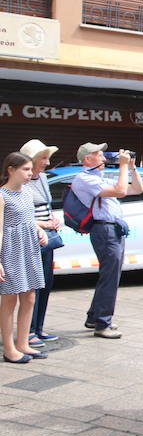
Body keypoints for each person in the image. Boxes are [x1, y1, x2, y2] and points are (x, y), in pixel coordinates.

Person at [71, 143, 143, 338]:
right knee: (110, 277)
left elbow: (137, 188)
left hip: (113, 229)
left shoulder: (98, 178)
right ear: (87, 159)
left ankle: (95, 316)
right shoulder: (84, 179)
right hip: (104, 229)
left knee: (110, 275)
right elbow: (120, 191)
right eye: (99, 154)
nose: (104, 158)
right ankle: (102, 323)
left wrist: (132, 167)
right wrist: (122, 166)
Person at [1, 152, 49, 363]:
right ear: (11, 170)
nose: (30, 174)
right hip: (10, 250)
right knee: (9, 299)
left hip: (29, 248)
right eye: (25, 169)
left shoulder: (28, 192)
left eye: (31, 169)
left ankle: (23, 343)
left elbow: (29, 219)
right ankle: (9, 348)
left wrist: (40, 230)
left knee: (29, 296)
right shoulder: (2, 196)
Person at [20, 140, 62, 347]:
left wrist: (53, 220)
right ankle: (27, 331)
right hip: (30, 239)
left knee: (46, 283)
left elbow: (47, 206)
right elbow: (20, 215)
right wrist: (42, 223)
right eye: (43, 158)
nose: (46, 163)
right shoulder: (21, 182)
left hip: (48, 238)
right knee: (32, 287)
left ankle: (38, 327)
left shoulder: (44, 179)